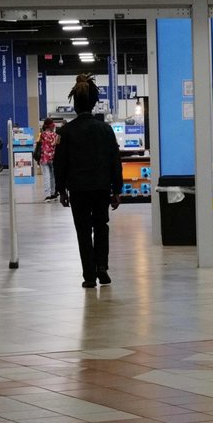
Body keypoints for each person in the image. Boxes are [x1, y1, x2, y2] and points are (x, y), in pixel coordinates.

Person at [53, 74, 123, 289]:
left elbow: (60, 163)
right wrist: (117, 189)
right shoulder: (105, 129)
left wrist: (61, 190)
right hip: (101, 187)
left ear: (75, 104)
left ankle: (89, 276)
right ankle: (102, 267)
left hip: (78, 188)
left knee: (83, 230)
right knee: (102, 225)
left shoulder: (65, 131)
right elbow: (115, 160)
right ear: (94, 104)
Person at [38, 118, 59, 201]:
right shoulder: (56, 135)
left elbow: (38, 146)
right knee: (53, 176)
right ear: (52, 126)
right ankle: (54, 193)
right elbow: (58, 146)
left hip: (44, 158)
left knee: (46, 176)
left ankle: (47, 195)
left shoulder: (41, 135)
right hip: (54, 158)